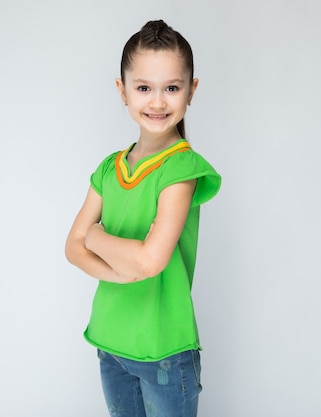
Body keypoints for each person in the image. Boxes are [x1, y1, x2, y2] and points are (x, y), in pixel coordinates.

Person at [65, 19, 221, 417]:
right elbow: (71, 247)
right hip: (110, 342)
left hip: (164, 351)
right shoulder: (108, 168)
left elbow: (149, 261)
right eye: (144, 88)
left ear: (191, 91)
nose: (157, 102)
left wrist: (96, 238)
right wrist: (120, 268)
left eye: (171, 87)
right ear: (123, 91)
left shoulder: (181, 169)